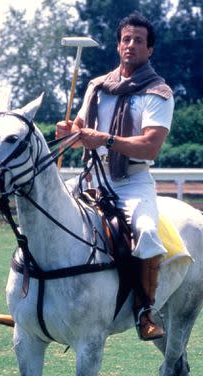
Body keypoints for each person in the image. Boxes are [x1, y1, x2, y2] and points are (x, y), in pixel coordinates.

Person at [56, 12, 174, 341]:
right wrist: (68, 132)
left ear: (150, 50)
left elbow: (150, 147)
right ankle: (30, 300)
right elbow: (79, 131)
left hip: (131, 180)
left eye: (139, 40)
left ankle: (144, 310)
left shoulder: (158, 92)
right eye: (126, 39)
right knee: (42, 212)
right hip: (93, 175)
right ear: (118, 45)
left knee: (148, 233)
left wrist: (105, 139)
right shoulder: (97, 86)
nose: (131, 45)